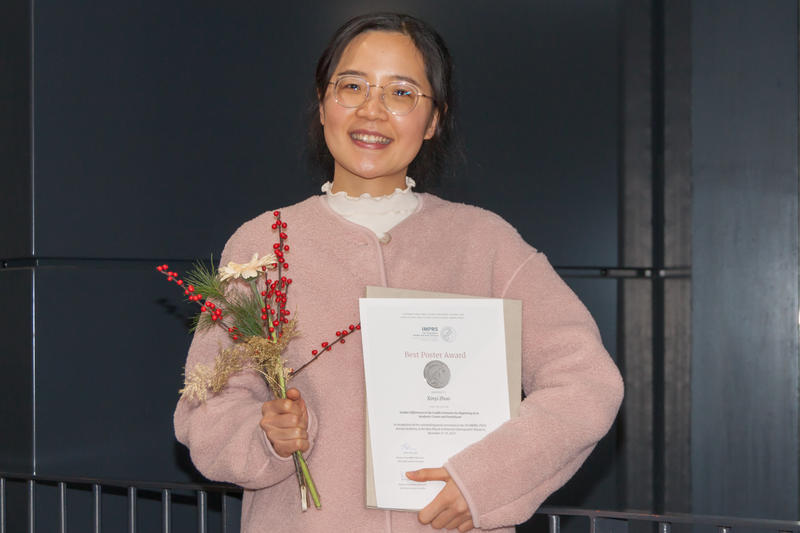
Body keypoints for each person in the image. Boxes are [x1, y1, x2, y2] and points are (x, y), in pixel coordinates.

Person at [174, 12, 624, 533]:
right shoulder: (260, 246)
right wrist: (263, 434)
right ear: (322, 103)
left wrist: (486, 482)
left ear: (433, 120)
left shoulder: (486, 242)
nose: (372, 110)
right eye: (352, 86)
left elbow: (587, 383)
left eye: (402, 93)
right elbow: (206, 406)